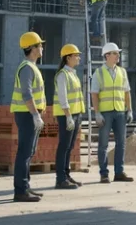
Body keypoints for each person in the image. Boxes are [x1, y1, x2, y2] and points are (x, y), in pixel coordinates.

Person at [10, 31, 46, 202]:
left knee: (28, 151)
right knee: (24, 152)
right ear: (32, 48)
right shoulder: (27, 68)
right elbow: (26, 94)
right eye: (39, 45)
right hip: (26, 115)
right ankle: (20, 190)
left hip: (29, 114)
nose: (42, 48)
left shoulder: (32, 67)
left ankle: (26, 187)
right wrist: (35, 115)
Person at [91, 42, 134, 183]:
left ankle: (119, 172)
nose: (118, 56)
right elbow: (94, 94)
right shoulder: (99, 73)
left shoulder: (122, 72)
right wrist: (97, 113)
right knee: (103, 144)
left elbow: (127, 92)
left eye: (118, 53)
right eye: (115, 53)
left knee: (121, 143)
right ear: (107, 55)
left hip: (120, 112)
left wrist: (129, 110)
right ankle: (104, 174)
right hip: (106, 113)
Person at [53, 44, 85, 189]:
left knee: (69, 146)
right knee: (64, 146)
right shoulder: (62, 75)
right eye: (76, 55)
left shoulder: (73, 73)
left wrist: (78, 115)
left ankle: (66, 175)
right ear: (68, 58)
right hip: (67, 116)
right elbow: (63, 97)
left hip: (76, 115)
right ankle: (60, 179)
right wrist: (68, 116)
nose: (78, 58)